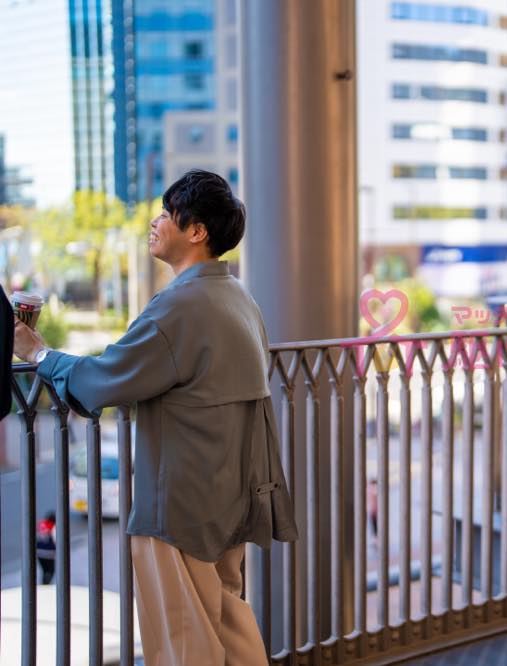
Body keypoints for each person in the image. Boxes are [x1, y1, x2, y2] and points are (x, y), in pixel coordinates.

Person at [13, 169, 297, 666]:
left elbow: (106, 378)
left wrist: (38, 355)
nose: (155, 221)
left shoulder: (179, 306)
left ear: (196, 231)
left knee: (182, 641)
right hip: (233, 493)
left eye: (167, 212)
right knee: (230, 623)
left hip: (181, 504)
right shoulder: (239, 298)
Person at [36, 511, 56, 584]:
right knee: (51, 570)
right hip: (49, 553)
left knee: (44, 570)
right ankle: (46, 584)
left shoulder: (40, 525)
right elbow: (56, 540)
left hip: (39, 552)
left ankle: (44, 583)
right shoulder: (53, 527)